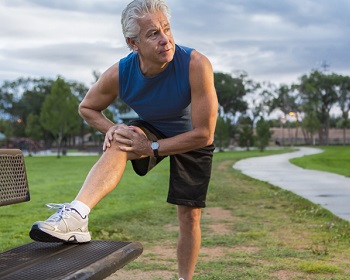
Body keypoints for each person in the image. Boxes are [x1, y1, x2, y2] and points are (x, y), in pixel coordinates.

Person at [29, 0, 218, 279]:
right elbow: (87, 108)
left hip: (191, 136)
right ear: (133, 43)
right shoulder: (120, 73)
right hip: (152, 127)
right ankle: (77, 216)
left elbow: (204, 134)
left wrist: (152, 147)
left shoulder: (195, 64)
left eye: (166, 29)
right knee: (121, 138)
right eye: (153, 34)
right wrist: (111, 127)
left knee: (189, 216)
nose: (165, 40)